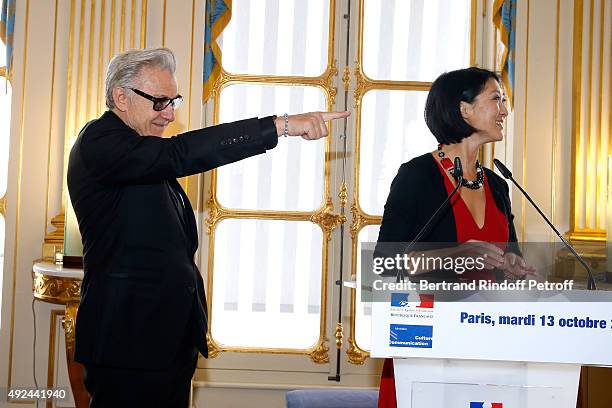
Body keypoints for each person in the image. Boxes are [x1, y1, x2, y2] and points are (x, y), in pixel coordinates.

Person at [67, 47, 349, 407]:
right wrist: (282, 125)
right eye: (159, 102)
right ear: (121, 97)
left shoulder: (142, 153)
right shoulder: (99, 141)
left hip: (165, 340)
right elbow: (182, 153)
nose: (169, 114)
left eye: (174, 101)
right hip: (128, 342)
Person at [375, 67, 533, 408]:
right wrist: (456, 253)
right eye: (496, 99)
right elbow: (385, 264)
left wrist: (513, 266)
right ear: (464, 109)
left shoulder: (497, 184)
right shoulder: (417, 176)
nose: (505, 110)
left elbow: (508, 259)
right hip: (428, 342)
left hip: (489, 344)